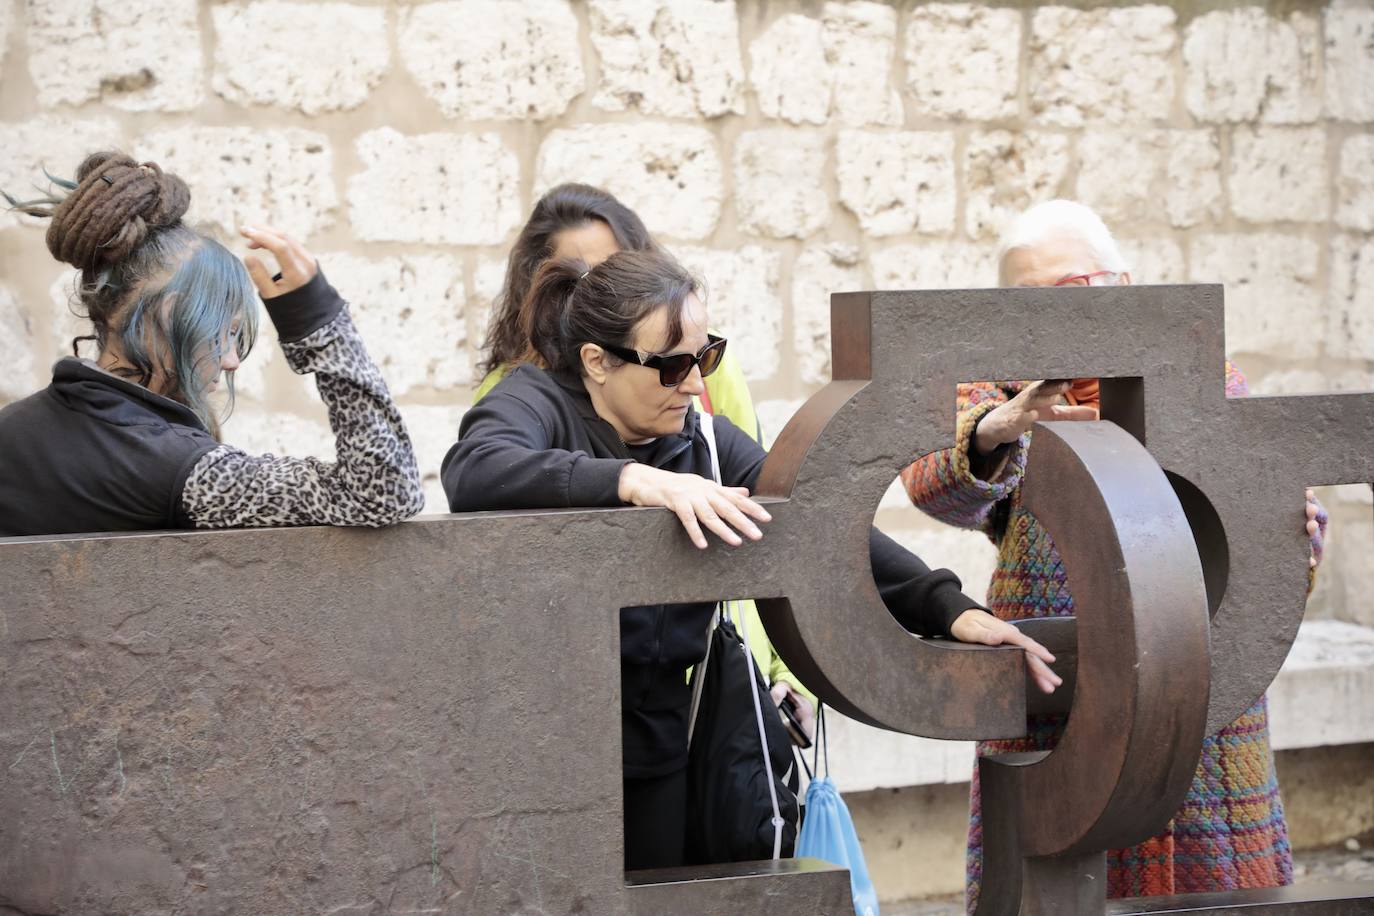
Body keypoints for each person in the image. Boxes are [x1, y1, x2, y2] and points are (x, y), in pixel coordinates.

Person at [443, 247, 1061, 870]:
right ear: (597, 363)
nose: (694, 384)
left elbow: (818, 526)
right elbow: (474, 468)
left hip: (663, 745)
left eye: (704, 357)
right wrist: (630, 479)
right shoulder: (536, 401)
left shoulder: (704, 442)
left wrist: (946, 606)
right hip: (543, 751)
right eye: (670, 366)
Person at [901, 199, 1328, 908]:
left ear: (1120, 286)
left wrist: (1298, 544)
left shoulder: (1206, 383)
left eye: (1069, 293)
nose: (1054, 319)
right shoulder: (1000, 396)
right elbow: (937, 485)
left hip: (1201, 705)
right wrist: (999, 427)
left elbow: (1266, 558)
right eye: (1025, 303)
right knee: (1054, 889)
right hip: (1058, 691)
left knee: (1212, 896)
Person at [474, 183, 814, 736]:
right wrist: (631, 479)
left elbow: (762, 502)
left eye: (612, 265)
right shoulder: (518, 391)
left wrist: (781, 668)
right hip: (585, 682)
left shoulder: (703, 374)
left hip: (717, 661)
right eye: (579, 269)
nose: (596, 285)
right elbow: (490, 478)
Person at [0, 151, 424, 536]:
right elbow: (386, 490)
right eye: (222, 332)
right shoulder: (176, 469)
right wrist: (321, 324)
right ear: (167, 314)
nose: (231, 359)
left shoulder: (11, 430)